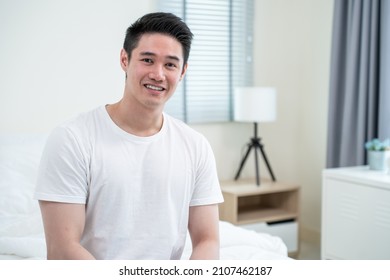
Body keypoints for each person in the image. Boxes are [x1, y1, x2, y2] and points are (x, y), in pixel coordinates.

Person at [34, 12, 224, 260]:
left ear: (183, 71)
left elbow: (207, 240)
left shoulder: (195, 145)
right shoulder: (72, 139)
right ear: (125, 59)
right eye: (147, 60)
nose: (158, 74)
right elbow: (62, 249)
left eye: (170, 64)